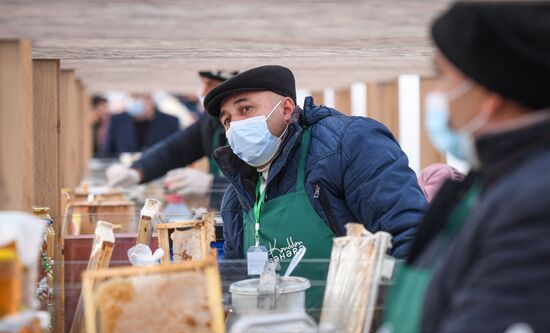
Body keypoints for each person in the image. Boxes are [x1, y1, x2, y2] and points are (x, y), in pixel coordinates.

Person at [379, 2, 550, 333]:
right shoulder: (492, 178)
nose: (436, 95)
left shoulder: (536, 201)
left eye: (442, 76)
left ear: (491, 95)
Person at [205, 65, 428, 315]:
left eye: (246, 109)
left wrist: (398, 324)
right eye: (227, 121)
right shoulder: (236, 199)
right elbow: (237, 287)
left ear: (287, 109)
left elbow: (412, 235)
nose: (235, 126)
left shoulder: (347, 145)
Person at [106, 70, 238, 209]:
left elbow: (257, 187)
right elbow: (175, 149)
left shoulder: (250, 127)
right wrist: (137, 172)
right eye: (203, 84)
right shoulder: (211, 122)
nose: (203, 92)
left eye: (210, 84)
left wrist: (214, 185)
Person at [101, 93, 179, 157]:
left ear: (150, 98)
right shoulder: (117, 120)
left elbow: (176, 152)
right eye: (132, 96)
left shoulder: (170, 121)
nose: (134, 101)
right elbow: (106, 154)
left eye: (138, 96)